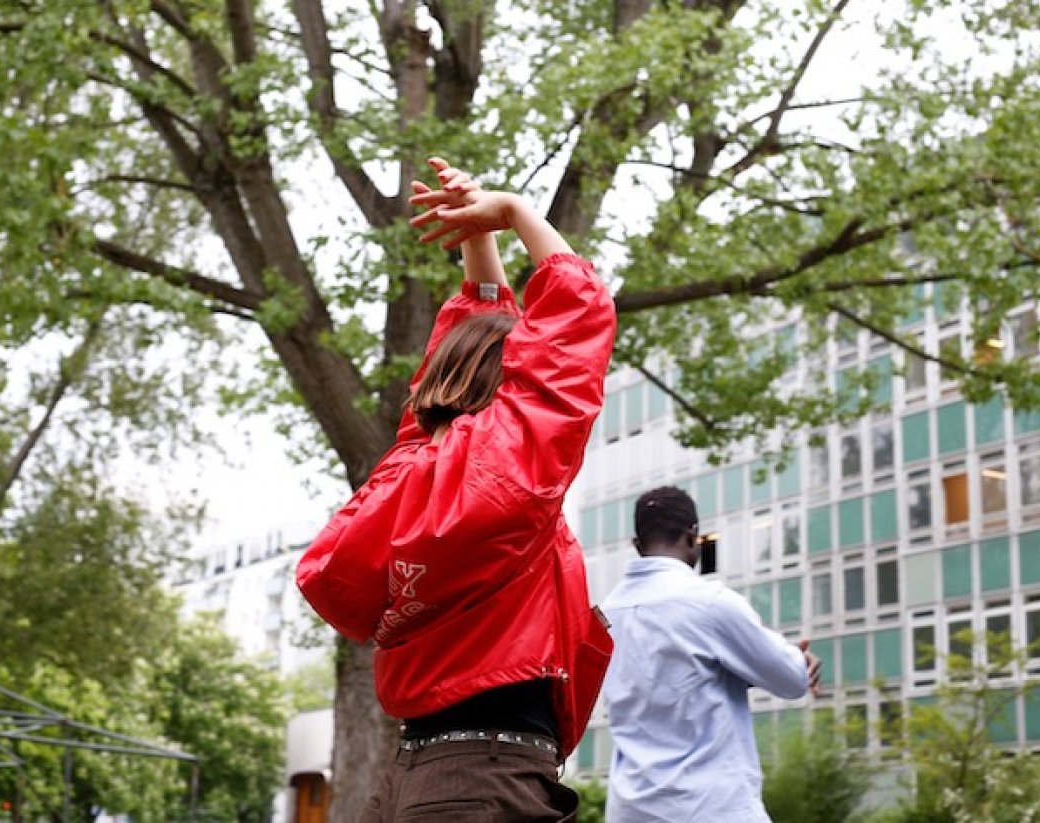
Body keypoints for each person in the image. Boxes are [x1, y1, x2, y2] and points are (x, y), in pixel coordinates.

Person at [296, 157, 616, 822]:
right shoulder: (513, 475)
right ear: (509, 386)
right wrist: (516, 213)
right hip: (486, 780)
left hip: (414, 775)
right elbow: (574, 323)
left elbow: (464, 376)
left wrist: (479, 243)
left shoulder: (410, 472)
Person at [601, 486, 822, 823]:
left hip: (630, 812)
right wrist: (794, 657)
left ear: (636, 545)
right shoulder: (709, 602)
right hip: (710, 808)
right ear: (693, 538)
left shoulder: (605, 615)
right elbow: (792, 680)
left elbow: (662, 683)